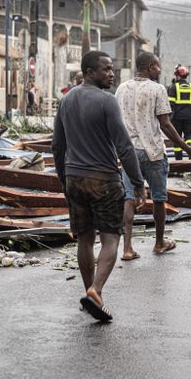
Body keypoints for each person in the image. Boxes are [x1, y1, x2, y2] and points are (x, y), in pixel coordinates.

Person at [52, 51, 145, 322]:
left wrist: (63, 178)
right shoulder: (107, 101)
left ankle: (90, 294)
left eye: (112, 68)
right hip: (103, 179)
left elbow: (57, 145)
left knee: (84, 238)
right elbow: (124, 146)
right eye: (106, 69)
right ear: (89, 72)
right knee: (110, 238)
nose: (112, 73)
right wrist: (138, 183)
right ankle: (95, 290)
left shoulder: (66, 100)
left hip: (74, 179)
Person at [116, 52, 191, 261]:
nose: (160, 70)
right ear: (150, 67)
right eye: (158, 66)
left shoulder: (121, 89)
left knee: (129, 197)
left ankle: (127, 249)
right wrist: (187, 148)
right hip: (153, 152)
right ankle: (159, 242)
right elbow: (165, 124)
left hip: (129, 153)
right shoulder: (157, 89)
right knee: (158, 198)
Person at [167, 66, 191, 161]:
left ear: (178, 76)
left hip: (177, 117)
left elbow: (170, 104)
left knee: (177, 138)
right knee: (189, 137)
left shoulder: (173, 87)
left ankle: (179, 160)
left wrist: (168, 118)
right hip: (189, 117)